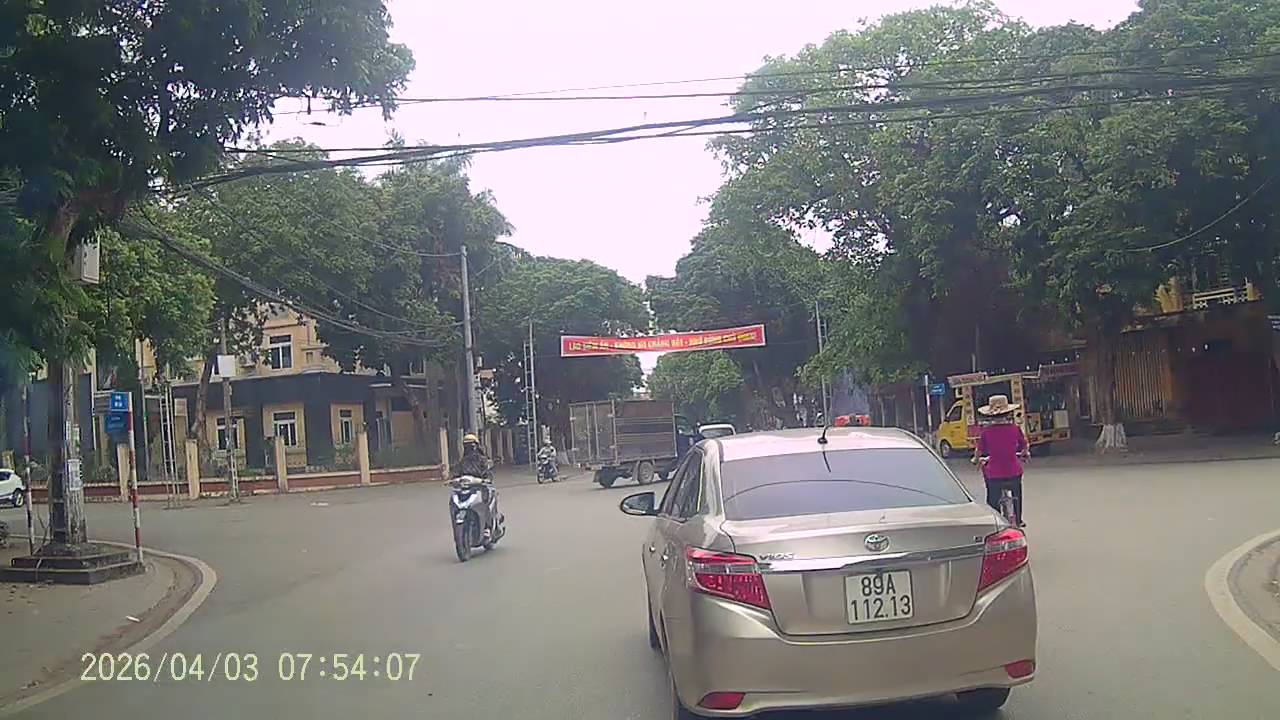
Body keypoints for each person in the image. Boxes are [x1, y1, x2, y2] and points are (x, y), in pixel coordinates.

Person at [974, 394, 1029, 526]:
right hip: (1014, 472)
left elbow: (979, 451)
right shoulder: (1015, 429)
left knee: (992, 498)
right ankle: (1018, 519)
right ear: (1008, 413)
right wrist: (1024, 453)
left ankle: (996, 521)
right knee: (1017, 493)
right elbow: (1024, 446)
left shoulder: (986, 432)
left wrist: (976, 459)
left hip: (994, 475)